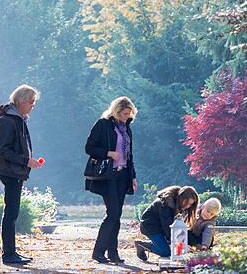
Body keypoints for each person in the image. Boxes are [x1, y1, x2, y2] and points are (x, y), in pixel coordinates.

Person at [84, 96, 138, 264]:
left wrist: (133, 176)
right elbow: (89, 147)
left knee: (117, 215)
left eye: (129, 114)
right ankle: (98, 251)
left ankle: (112, 253)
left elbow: (129, 155)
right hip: (108, 175)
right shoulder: (103, 124)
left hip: (123, 175)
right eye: (124, 113)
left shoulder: (127, 128)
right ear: (116, 111)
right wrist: (108, 153)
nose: (126, 117)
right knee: (113, 214)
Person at [0, 84, 42, 265]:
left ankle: (11, 252)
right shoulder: (7, 121)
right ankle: (8, 254)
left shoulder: (18, 119)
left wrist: (27, 161)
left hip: (16, 171)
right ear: (21, 101)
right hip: (10, 171)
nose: (33, 105)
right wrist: (25, 161)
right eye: (31, 101)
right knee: (11, 213)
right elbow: (2, 150)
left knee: (12, 212)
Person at [134, 185, 199, 261]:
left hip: (161, 228)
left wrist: (196, 243)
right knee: (165, 252)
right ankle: (141, 245)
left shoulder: (180, 205)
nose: (188, 206)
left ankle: (156, 244)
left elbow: (181, 229)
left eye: (190, 204)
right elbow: (168, 227)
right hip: (149, 226)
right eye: (187, 202)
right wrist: (181, 243)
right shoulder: (165, 204)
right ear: (181, 198)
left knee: (170, 248)